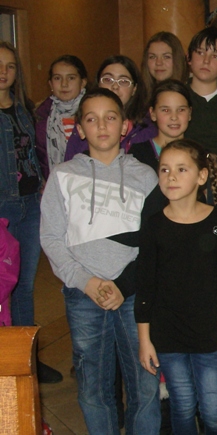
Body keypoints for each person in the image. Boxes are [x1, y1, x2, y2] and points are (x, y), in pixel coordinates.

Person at [39, 88, 160, 433]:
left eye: (111, 117)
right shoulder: (62, 176)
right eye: (92, 119)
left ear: (125, 126)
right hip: (83, 295)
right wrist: (87, 282)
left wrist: (124, 285)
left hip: (133, 294)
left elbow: (153, 243)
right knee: (93, 386)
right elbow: (51, 238)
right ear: (80, 129)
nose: (102, 126)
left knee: (145, 383)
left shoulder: (145, 176)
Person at [136, 139, 217, 435]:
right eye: (165, 170)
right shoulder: (154, 225)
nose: (171, 177)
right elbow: (146, 284)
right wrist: (144, 339)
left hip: (209, 333)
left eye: (181, 169)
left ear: (201, 176)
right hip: (168, 334)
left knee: (214, 409)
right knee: (182, 405)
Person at [0, 41, 62, 382]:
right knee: (2, 289)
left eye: (10, 66)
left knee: (24, 287)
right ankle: (7, 361)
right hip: (3, 208)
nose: (3, 72)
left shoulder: (26, 110)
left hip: (31, 206)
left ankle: (28, 362)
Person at [65, 55, 156, 161]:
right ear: (98, 83)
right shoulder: (86, 123)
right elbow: (70, 164)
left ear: (134, 88)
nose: (115, 86)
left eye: (123, 81)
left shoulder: (147, 129)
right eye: (108, 79)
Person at [184, 27, 217, 157]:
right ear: (189, 58)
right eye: (200, 52)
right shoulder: (177, 97)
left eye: (215, 56)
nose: (206, 60)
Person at [35, 54, 87, 179]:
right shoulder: (40, 117)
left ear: (82, 82)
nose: (64, 84)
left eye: (71, 78)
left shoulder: (93, 114)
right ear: (50, 84)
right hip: (54, 184)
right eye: (57, 78)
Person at [129, 79, 192, 171]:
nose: (174, 117)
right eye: (165, 110)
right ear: (153, 113)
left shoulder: (198, 153)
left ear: (189, 113)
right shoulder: (138, 154)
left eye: (181, 110)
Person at [141, 31, 190, 96]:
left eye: (166, 57)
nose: (158, 63)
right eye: (152, 57)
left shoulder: (189, 94)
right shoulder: (140, 95)